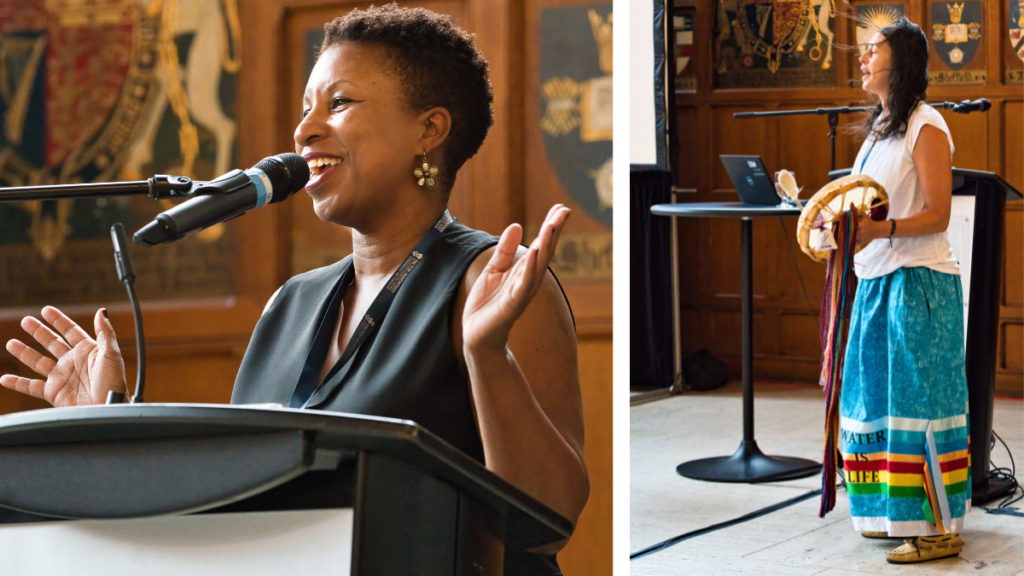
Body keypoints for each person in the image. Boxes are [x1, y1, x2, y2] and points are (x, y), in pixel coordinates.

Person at [0, 5, 588, 574]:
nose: (304, 130)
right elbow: (232, 503)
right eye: (305, 108)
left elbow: (548, 523)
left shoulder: (493, 283)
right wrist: (111, 420)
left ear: (427, 130)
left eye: (339, 104)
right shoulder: (292, 304)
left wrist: (488, 357)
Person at [844, 17, 968, 564]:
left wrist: (880, 230)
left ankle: (938, 527)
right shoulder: (882, 128)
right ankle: (894, 516)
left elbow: (938, 215)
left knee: (919, 405)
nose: (864, 58)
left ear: (903, 62)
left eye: (873, 50)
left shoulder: (926, 125)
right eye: (866, 50)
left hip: (918, 282)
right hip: (876, 279)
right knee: (879, 402)